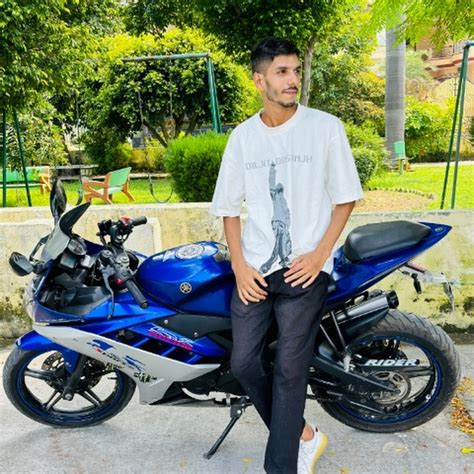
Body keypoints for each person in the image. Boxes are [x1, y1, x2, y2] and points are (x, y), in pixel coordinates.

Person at [210, 37, 363, 474]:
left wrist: (318, 255)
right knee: (243, 364)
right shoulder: (243, 138)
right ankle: (304, 435)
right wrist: (240, 266)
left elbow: (345, 198)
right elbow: (228, 209)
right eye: (282, 72)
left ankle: (281, 467)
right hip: (256, 269)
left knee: (289, 371)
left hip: (305, 270)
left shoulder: (325, 128)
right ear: (259, 81)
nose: (293, 79)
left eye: (296, 70)